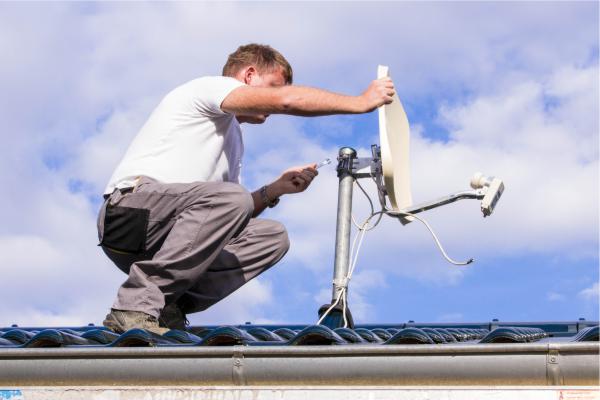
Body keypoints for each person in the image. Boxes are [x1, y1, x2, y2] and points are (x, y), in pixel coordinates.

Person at [97, 43, 395, 334]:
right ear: (249, 76)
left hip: (171, 233)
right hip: (130, 214)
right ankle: (135, 305)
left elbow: (226, 216)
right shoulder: (210, 88)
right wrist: (360, 102)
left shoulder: (234, 139)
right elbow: (286, 102)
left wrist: (274, 190)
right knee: (231, 198)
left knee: (272, 236)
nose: (274, 100)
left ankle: (167, 305)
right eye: (273, 87)